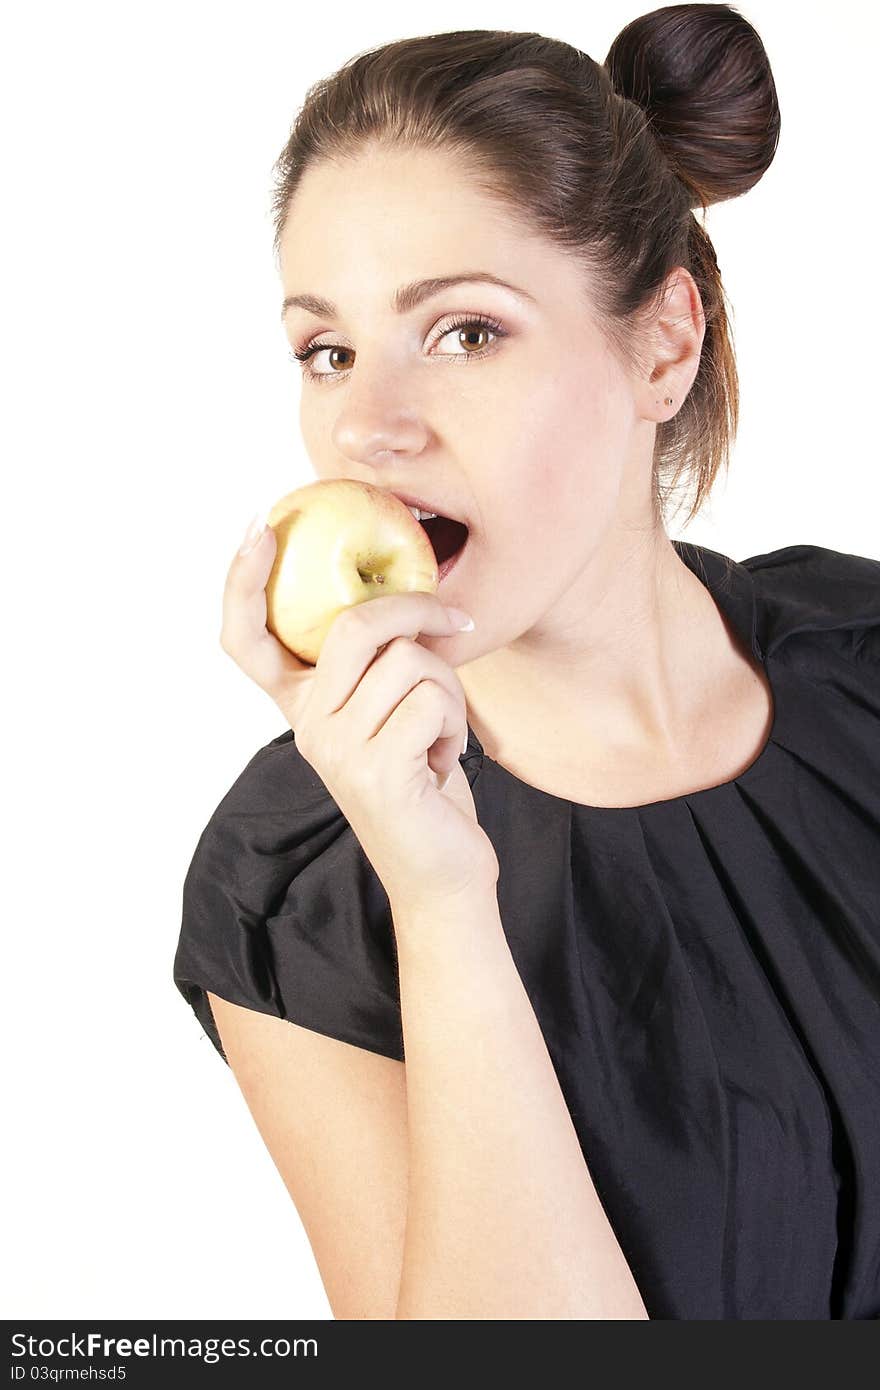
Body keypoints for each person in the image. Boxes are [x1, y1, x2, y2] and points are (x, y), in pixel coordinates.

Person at [173, 8, 880, 1320]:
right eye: (327, 351)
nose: (366, 427)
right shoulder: (300, 882)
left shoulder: (866, 659)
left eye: (463, 332)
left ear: (662, 345)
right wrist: (438, 896)